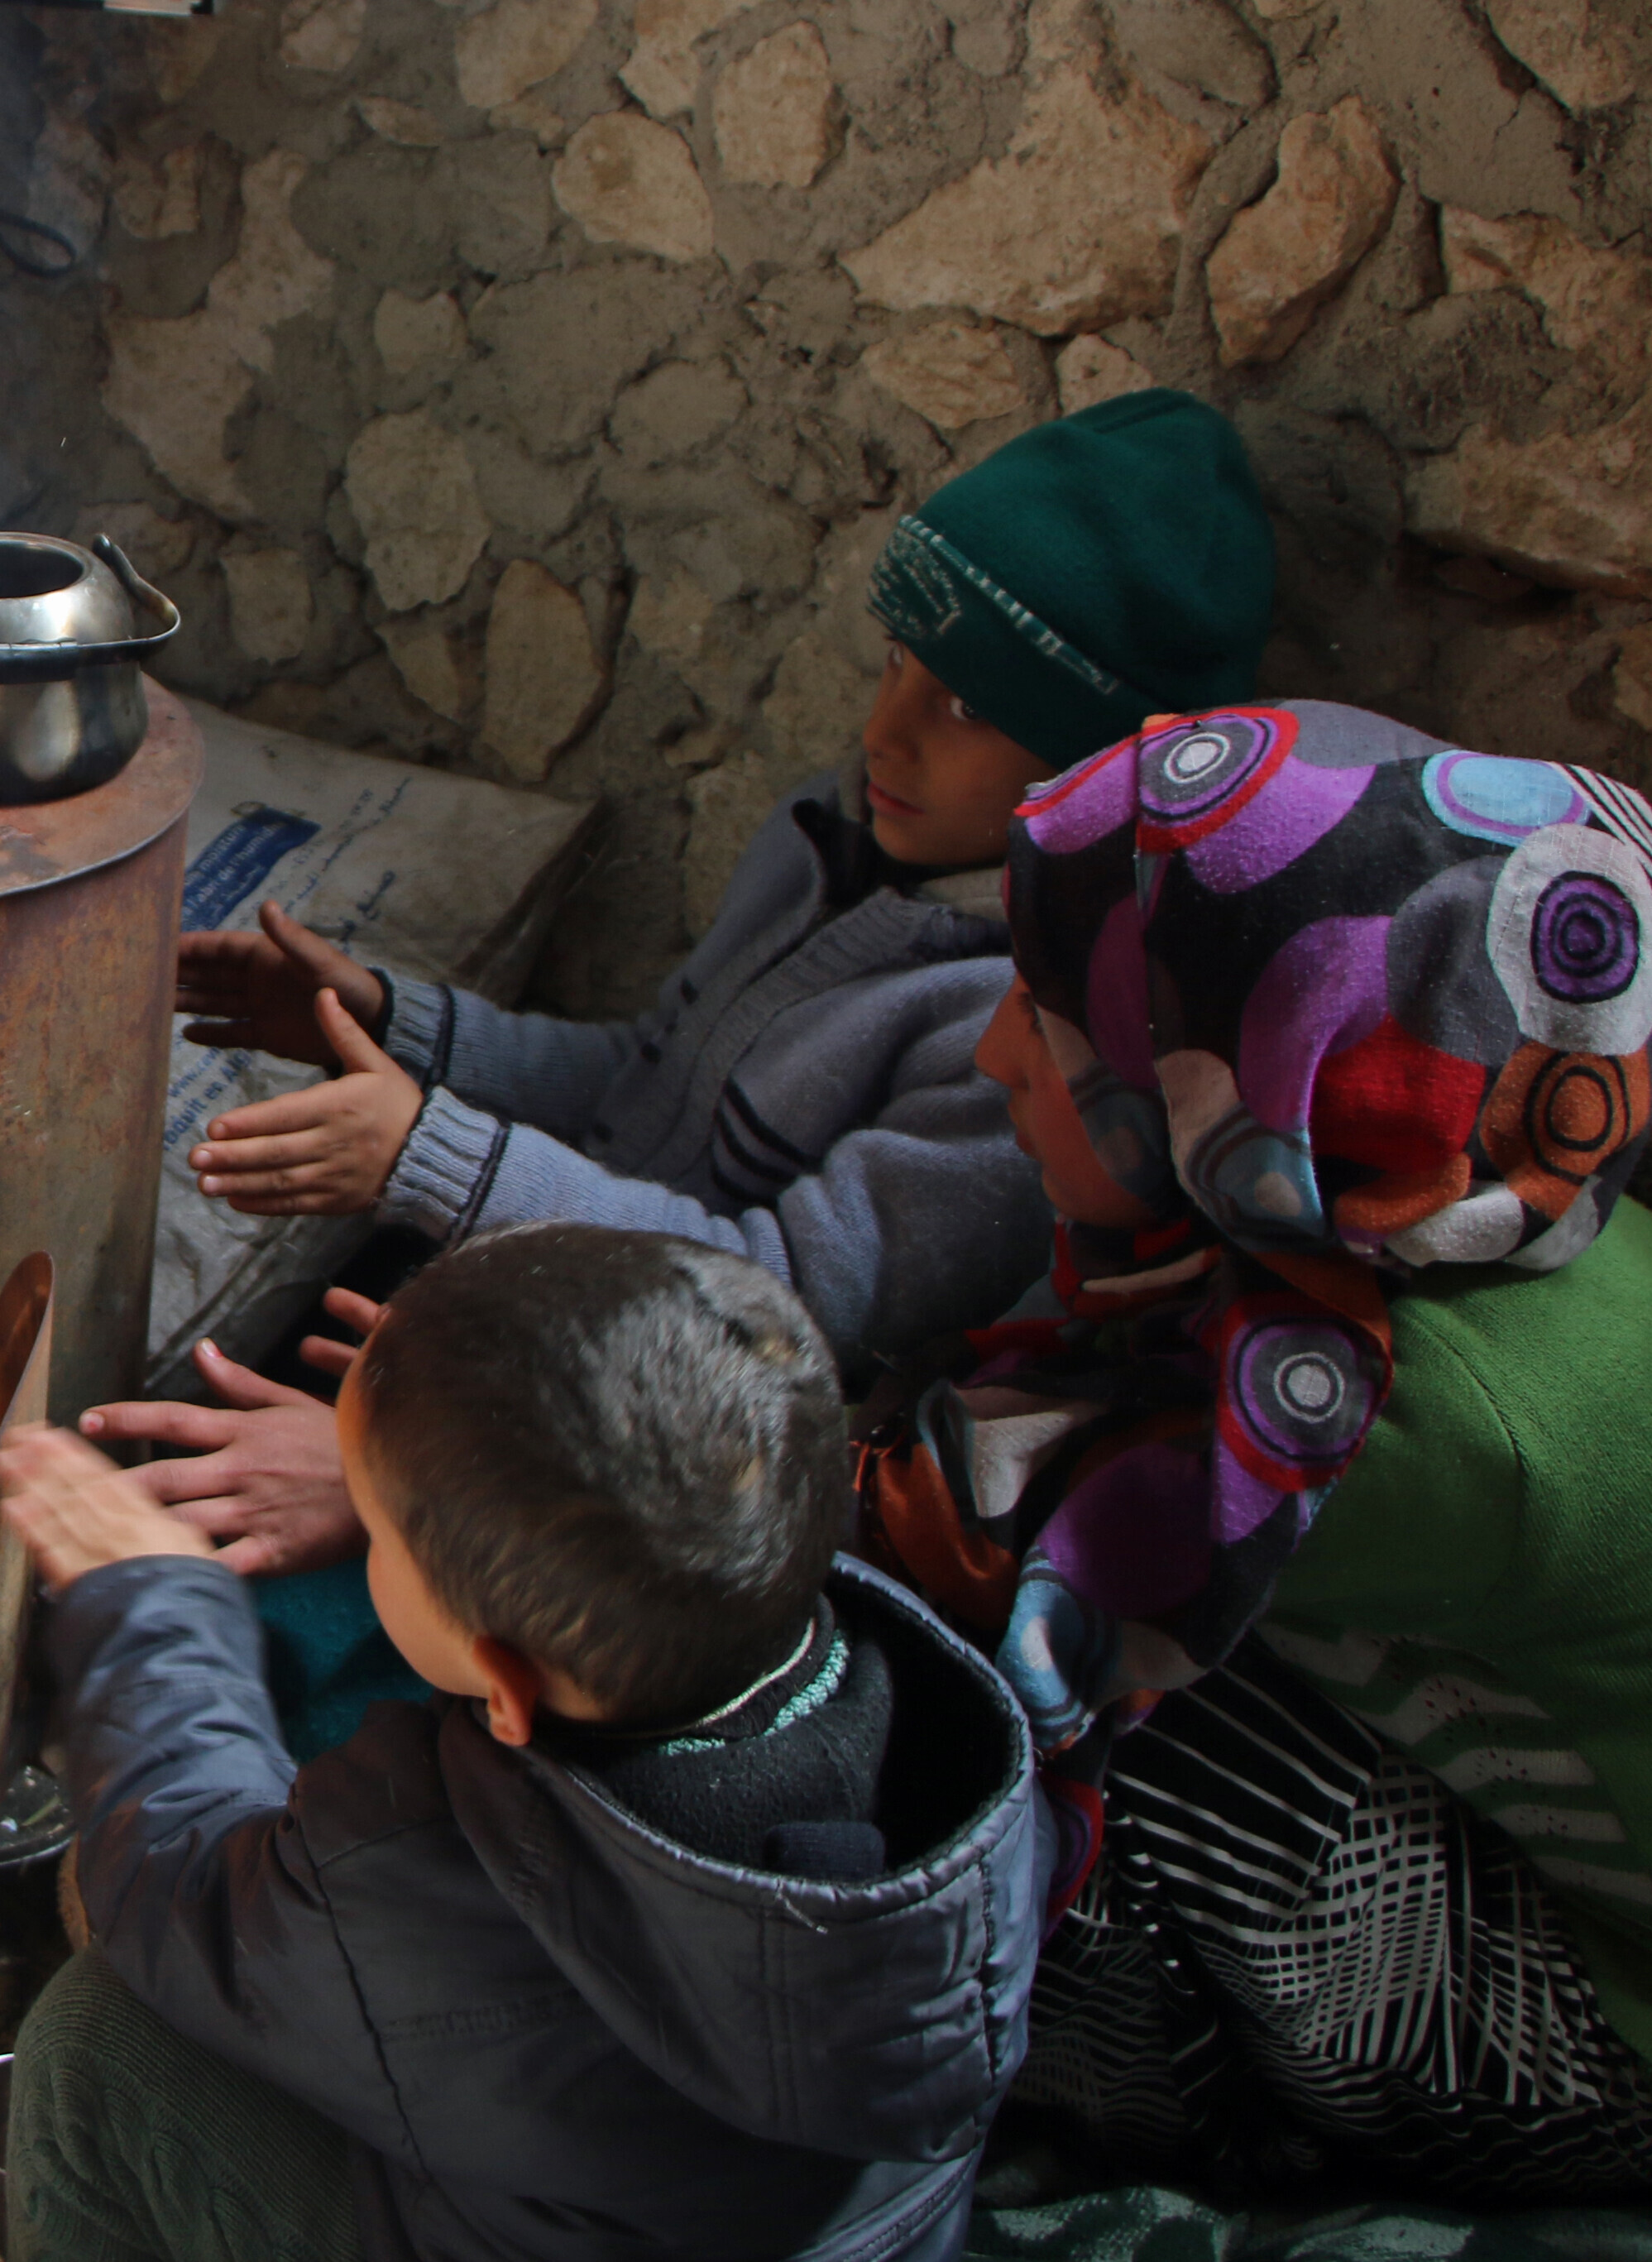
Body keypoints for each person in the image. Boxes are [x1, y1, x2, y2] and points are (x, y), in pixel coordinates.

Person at [102, 391, 1281, 1755]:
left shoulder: (1024, 1037)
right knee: (172, 1573)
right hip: (558, 1355)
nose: (885, 730)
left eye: (961, 705)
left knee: (261, 1676)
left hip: (668, 1493)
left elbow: (766, 1308)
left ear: (1100, 762)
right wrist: (386, 1020)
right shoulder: (838, 844)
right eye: (895, 660)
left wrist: (398, 1465)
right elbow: (637, 1083)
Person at [861, 701, 1652, 2205]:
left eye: (1054, 1013)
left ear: (1251, 1062)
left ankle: (1161, 2137)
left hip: (1620, 2029)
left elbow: (947, 1534)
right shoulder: (1468, 1203)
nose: (987, 1050)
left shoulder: (1401, 1422)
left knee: (1039, 1722)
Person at [0, 1223, 1043, 2262]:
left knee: (98, 2040)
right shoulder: (961, 1747)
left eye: (377, 1519)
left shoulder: (426, 1882)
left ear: (506, 1686)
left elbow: (189, 1888)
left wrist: (155, 1604)